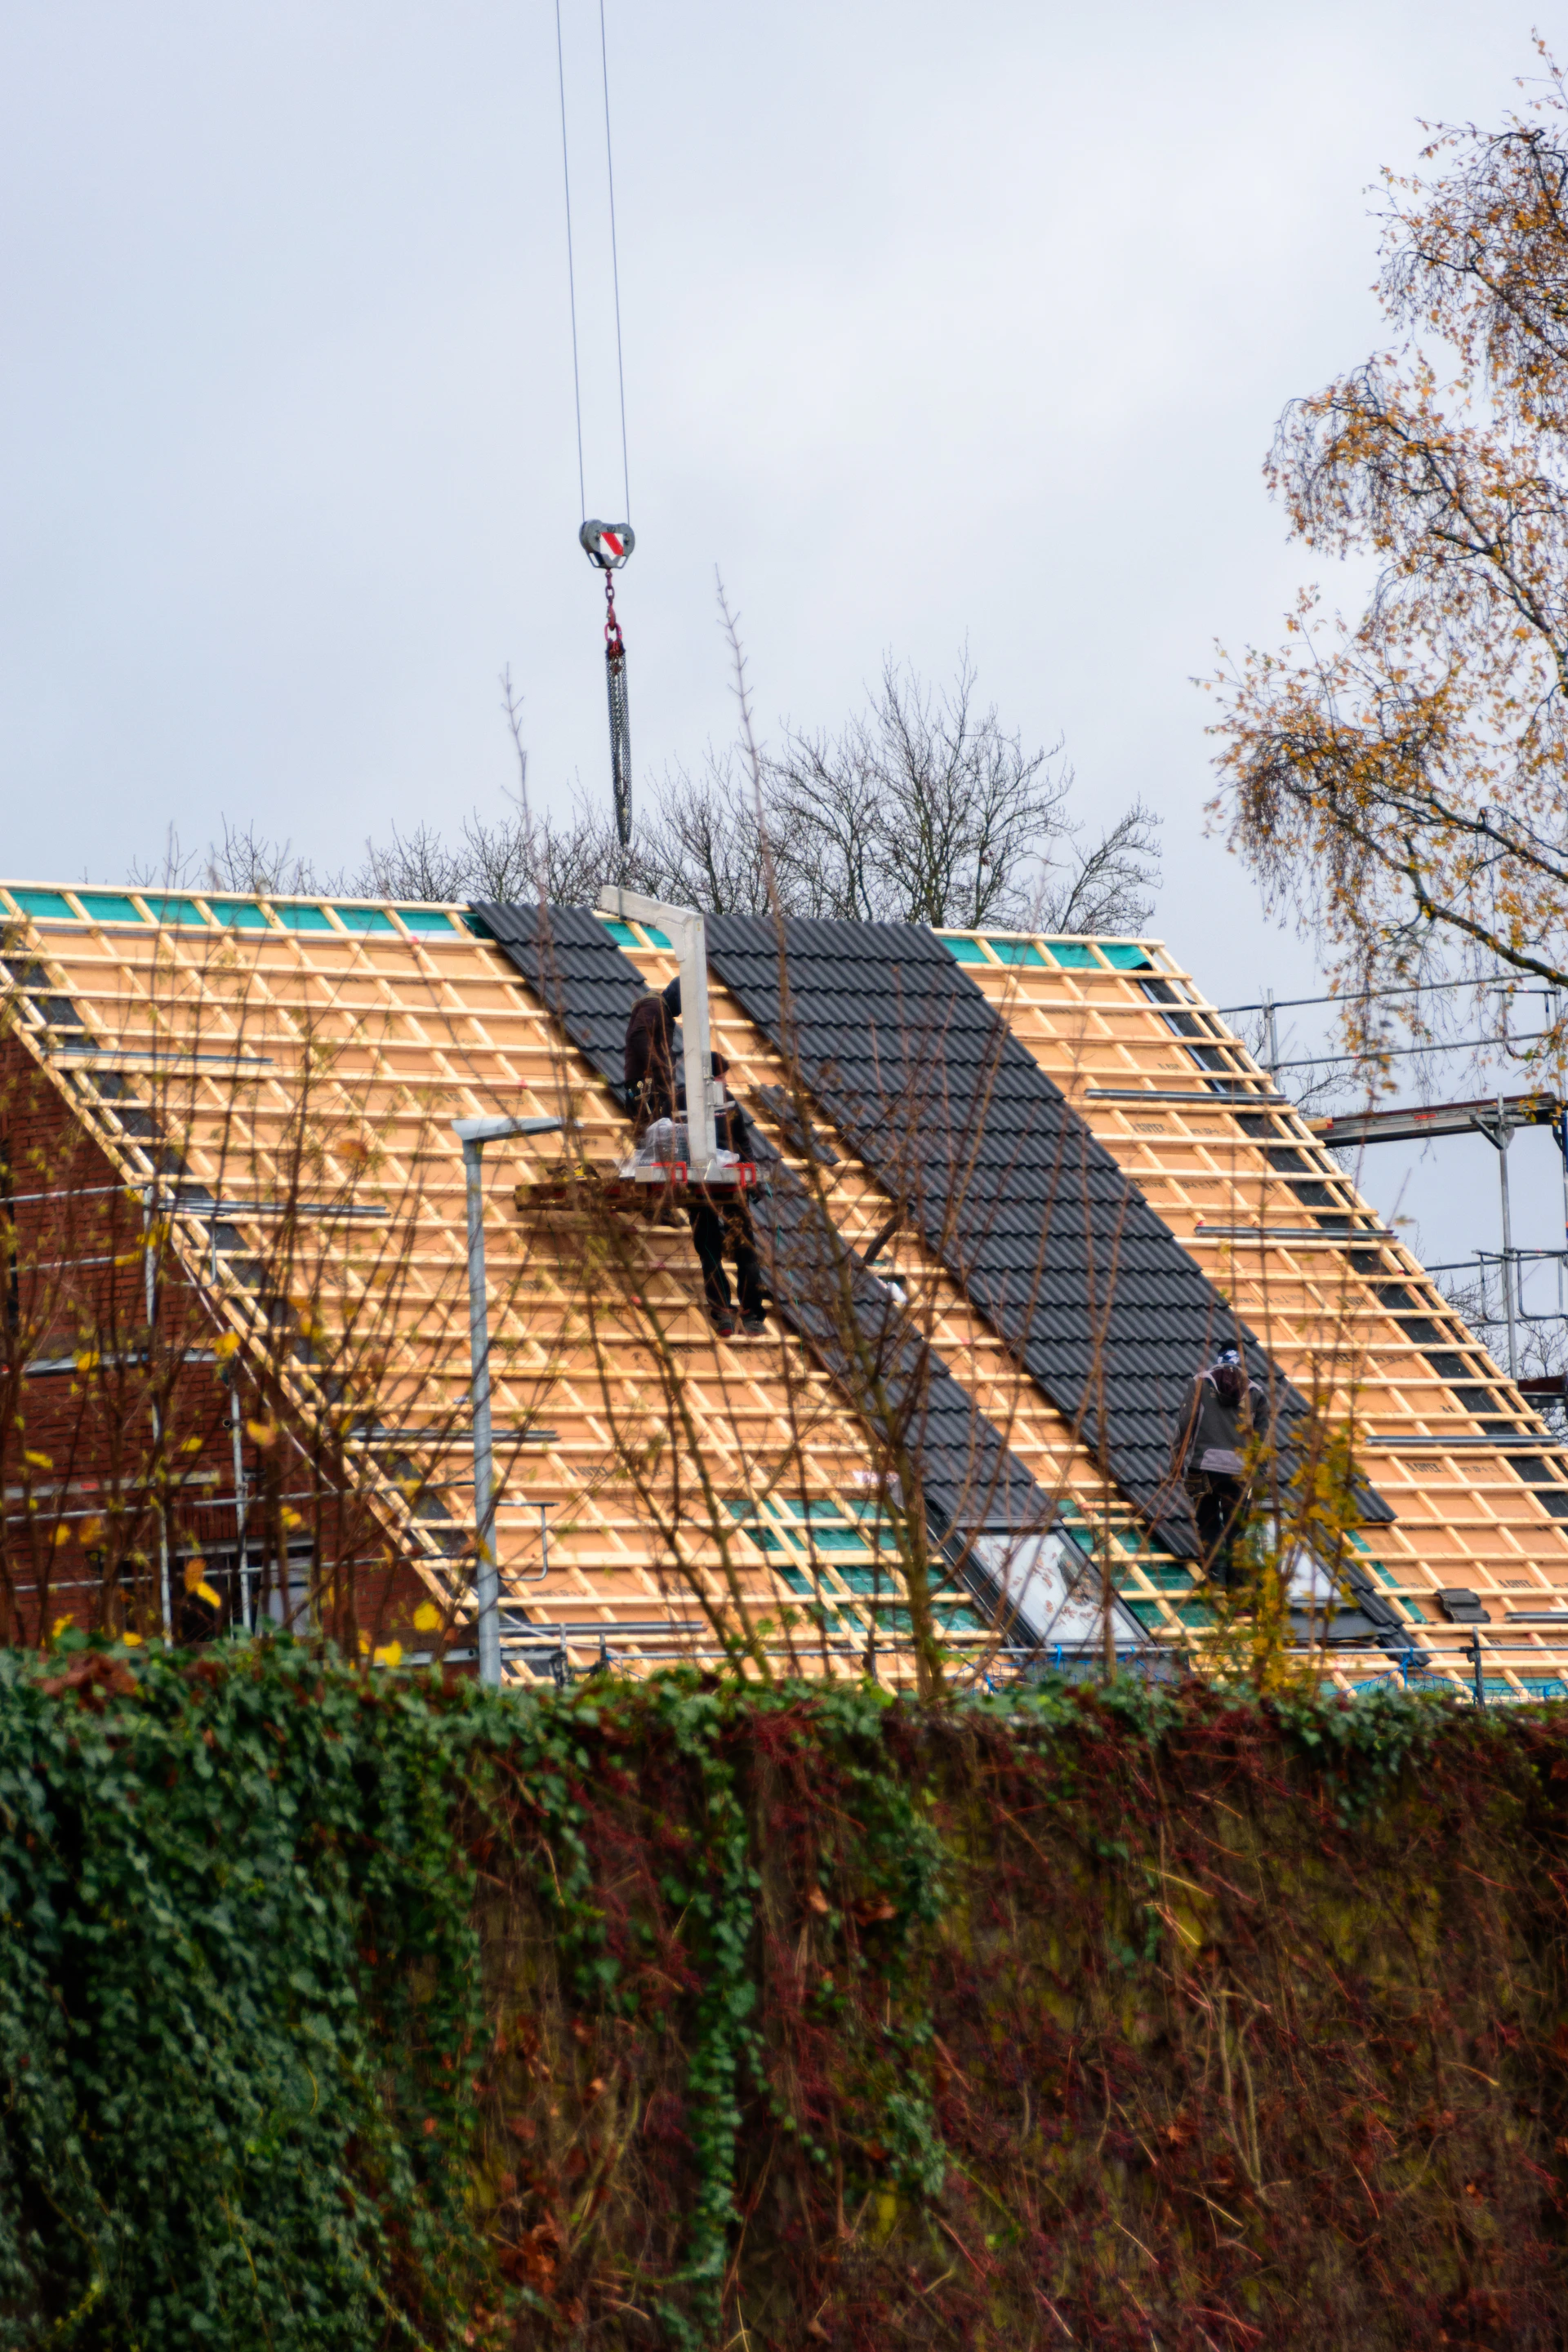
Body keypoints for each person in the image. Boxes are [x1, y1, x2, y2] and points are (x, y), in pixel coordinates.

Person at [622, 979, 768, 1340]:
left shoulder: (682, 1099)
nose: (722, 1081)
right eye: (719, 1076)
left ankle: (735, 1314)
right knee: (734, 1246)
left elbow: (671, 1140)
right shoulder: (716, 1099)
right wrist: (754, 1178)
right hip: (720, 1185)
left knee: (717, 1248)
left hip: (706, 1186)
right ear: (713, 1076)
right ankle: (741, 1316)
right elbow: (742, 1145)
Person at [1171, 1346, 1267, 1591]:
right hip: (1239, 1473)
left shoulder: (1200, 1383)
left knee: (1207, 1520)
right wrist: (1260, 1478)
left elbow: (1185, 1424)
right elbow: (1262, 1440)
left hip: (1200, 1467)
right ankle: (1235, 1583)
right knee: (1236, 1526)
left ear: (1218, 1360)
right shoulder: (1256, 1393)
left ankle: (1215, 1575)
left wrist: (1176, 1462)